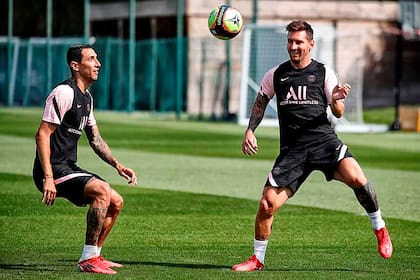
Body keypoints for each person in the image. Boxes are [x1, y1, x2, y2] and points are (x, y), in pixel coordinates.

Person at [232, 20, 393, 272]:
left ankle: (379, 227)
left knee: (358, 178)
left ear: (311, 44)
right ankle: (257, 259)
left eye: (298, 42)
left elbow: (338, 113)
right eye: (290, 42)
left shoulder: (324, 72)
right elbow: (261, 102)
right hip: (293, 151)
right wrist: (250, 130)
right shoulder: (276, 74)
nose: (293, 47)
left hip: (324, 143)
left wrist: (338, 99)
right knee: (267, 204)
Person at [33, 44, 138, 275]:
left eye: (97, 58)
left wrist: (117, 165)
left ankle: (95, 255)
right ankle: (87, 260)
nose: (98, 63)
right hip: (51, 170)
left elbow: (96, 139)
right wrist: (48, 178)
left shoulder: (87, 98)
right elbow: (42, 134)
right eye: (91, 59)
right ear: (75, 65)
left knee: (116, 201)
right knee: (101, 190)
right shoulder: (63, 92)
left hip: (68, 167)